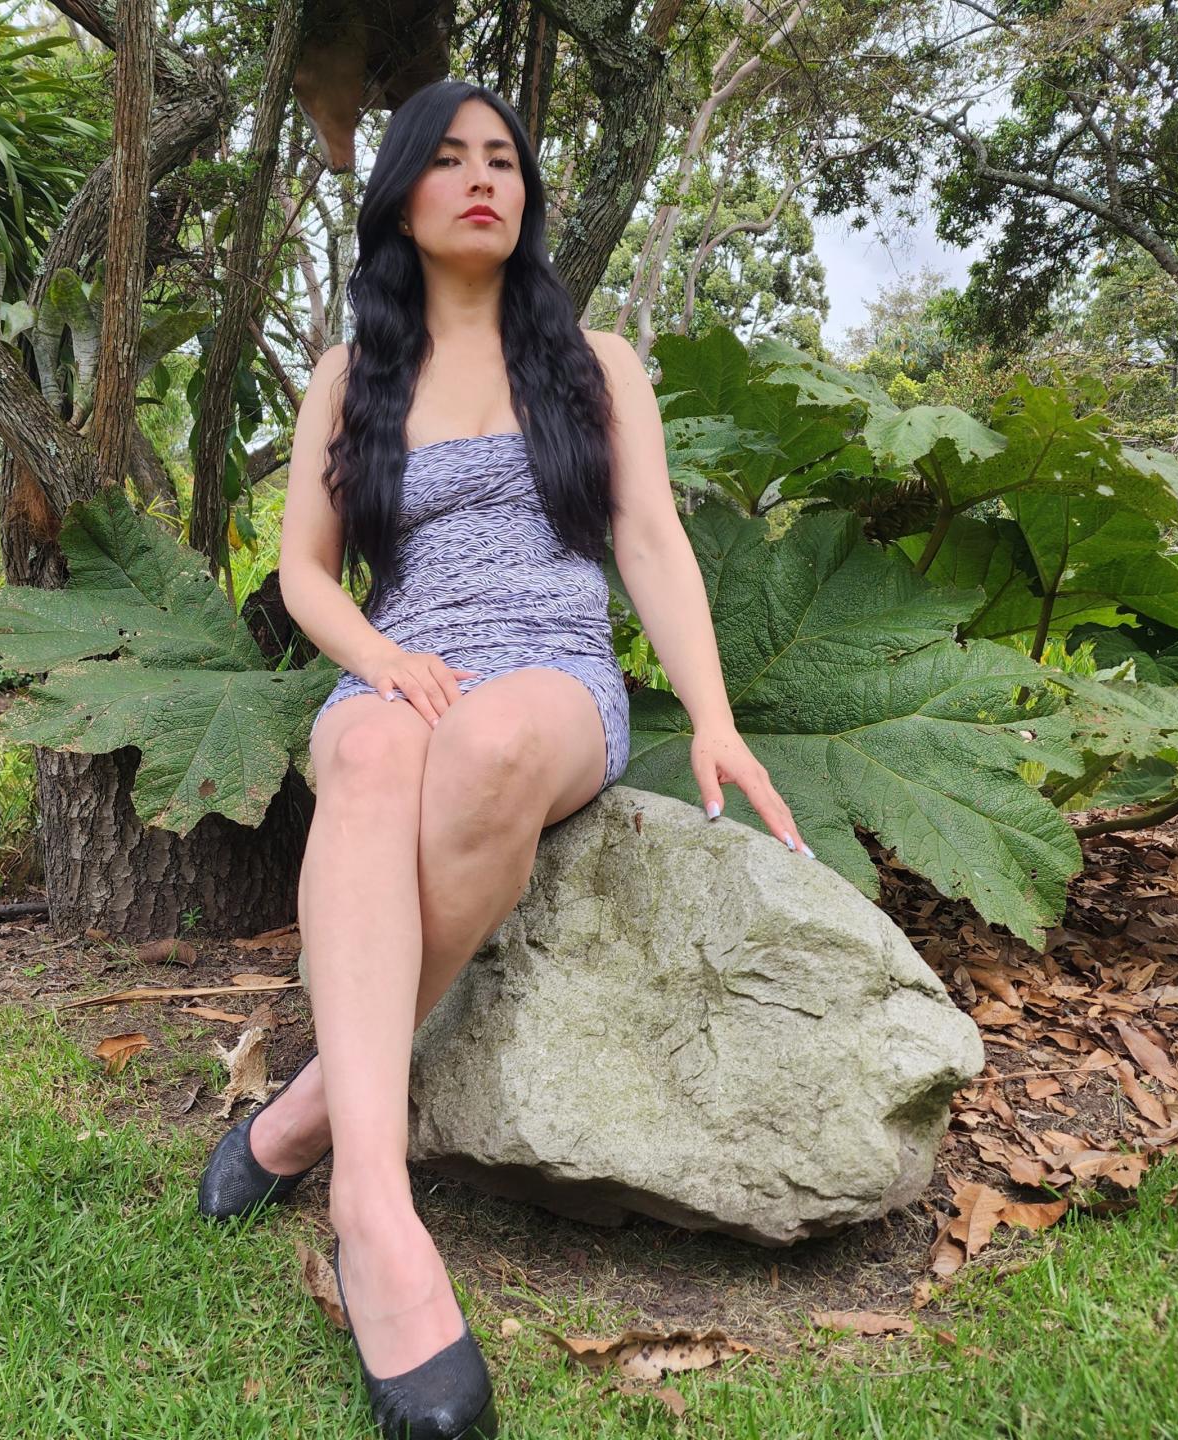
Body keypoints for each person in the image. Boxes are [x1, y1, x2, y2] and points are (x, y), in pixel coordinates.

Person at [196, 80, 813, 1440]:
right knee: (368, 752)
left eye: (505, 160)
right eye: (452, 159)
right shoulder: (351, 376)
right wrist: (379, 660)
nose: (486, 179)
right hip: (401, 666)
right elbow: (305, 574)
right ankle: (373, 1202)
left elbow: (649, 540)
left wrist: (713, 717)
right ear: (400, 196)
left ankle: (306, 1113)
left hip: (553, 677)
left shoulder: (596, 363)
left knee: (484, 742)